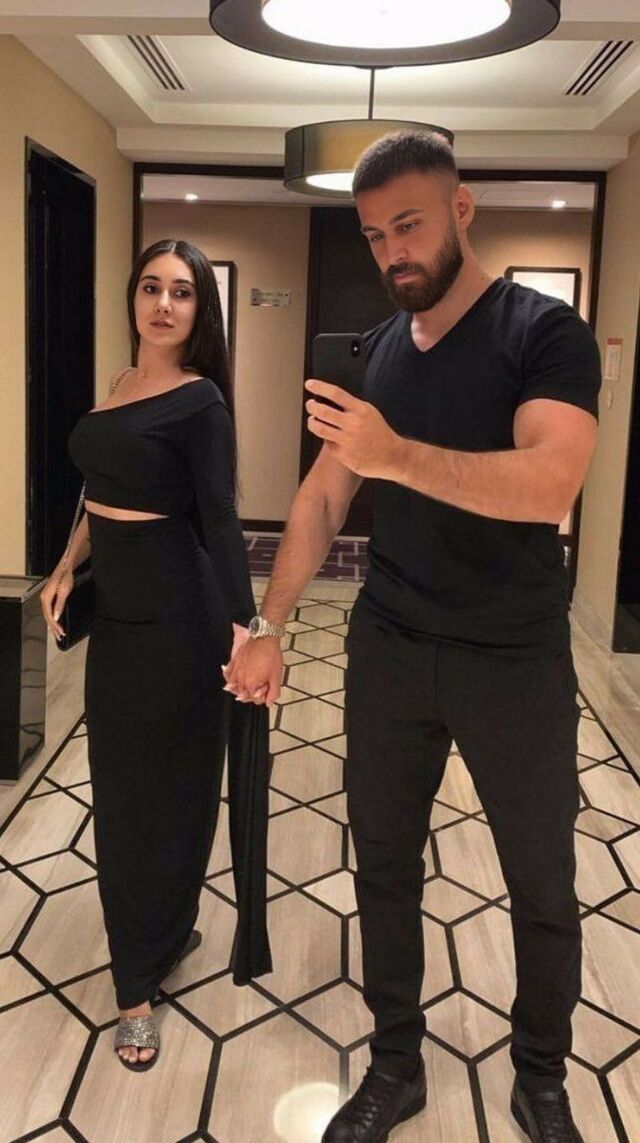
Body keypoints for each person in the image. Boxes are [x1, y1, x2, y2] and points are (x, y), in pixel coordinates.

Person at [224, 132, 600, 1142]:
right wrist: (268, 622)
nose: (392, 250)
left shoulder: (543, 332)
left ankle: (541, 1076)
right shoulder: (379, 353)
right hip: (391, 644)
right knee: (384, 863)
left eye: (409, 224)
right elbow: (321, 496)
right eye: (374, 234)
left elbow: (551, 483)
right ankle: (397, 1060)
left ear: (460, 210)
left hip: (512, 654)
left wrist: (394, 454)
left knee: (541, 879)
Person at [41, 238, 271, 1070]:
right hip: (121, 621)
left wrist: (251, 629)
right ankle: (156, 937)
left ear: (200, 309)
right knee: (122, 792)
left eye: (181, 291)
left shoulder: (200, 401)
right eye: (151, 287)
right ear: (133, 298)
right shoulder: (119, 385)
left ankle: (137, 981)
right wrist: (66, 564)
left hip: (182, 620)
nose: (163, 304)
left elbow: (221, 519)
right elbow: (97, 495)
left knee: (172, 797)